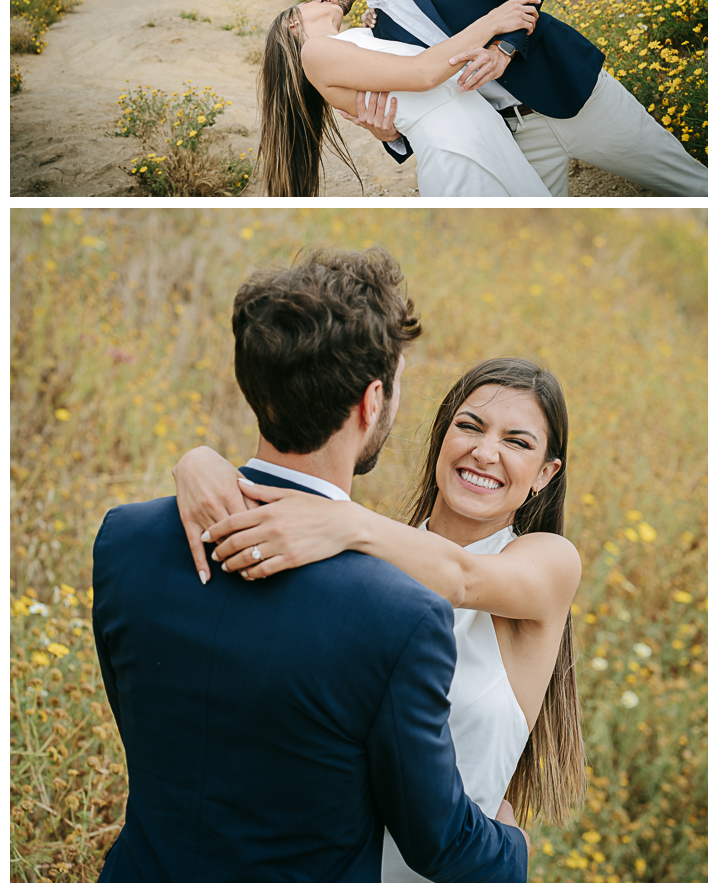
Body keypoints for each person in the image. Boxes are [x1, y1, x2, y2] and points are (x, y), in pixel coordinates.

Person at [92, 248, 530, 882]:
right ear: (371, 401)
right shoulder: (402, 616)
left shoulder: (124, 540)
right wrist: (511, 843)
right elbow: (441, 845)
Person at [174, 356, 585, 883]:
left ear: (545, 475)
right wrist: (197, 461)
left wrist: (346, 522)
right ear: (441, 437)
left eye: (518, 442)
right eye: (469, 426)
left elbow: (460, 580)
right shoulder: (363, 544)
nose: (485, 452)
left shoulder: (548, 561)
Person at [287, 0, 708, 197]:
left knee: (693, 186)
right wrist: (389, 137)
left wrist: (504, 47)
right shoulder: (376, 29)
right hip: (514, 140)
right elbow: (428, 98)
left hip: (574, 95)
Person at [258, 0, 551, 197]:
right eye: (306, 0)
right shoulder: (314, 52)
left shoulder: (356, 40)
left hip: (487, 135)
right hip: (455, 151)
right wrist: (493, 22)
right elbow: (423, 73)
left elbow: (395, 117)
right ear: (291, 23)